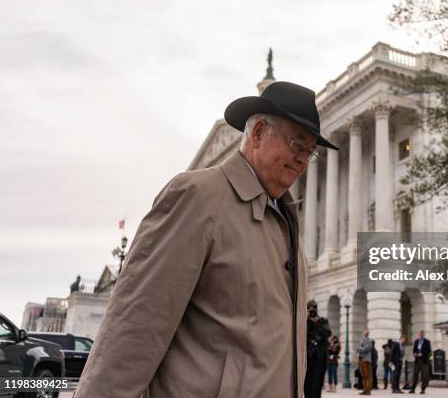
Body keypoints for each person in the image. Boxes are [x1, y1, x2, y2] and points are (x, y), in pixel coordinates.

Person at [72, 81, 339, 398]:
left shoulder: (285, 222)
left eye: (309, 152)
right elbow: (134, 330)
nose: (302, 160)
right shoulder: (199, 196)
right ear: (256, 135)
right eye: (296, 144)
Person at [304, 300, 331, 398]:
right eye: (309, 308)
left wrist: (317, 322)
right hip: (307, 359)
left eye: (314, 307)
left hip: (320, 358)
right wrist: (306, 321)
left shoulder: (322, 321)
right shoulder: (304, 322)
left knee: (316, 386)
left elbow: (328, 333)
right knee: (307, 387)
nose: (312, 310)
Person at [409, 330, 431, 394]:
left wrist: (423, 355)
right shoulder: (416, 341)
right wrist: (414, 354)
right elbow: (414, 350)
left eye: (422, 333)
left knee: (425, 376)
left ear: (424, 334)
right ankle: (412, 389)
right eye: (420, 333)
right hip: (417, 360)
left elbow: (429, 352)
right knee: (415, 375)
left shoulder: (427, 342)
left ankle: (423, 389)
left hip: (424, 361)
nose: (421, 334)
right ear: (419, 334)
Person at [357, 329, 373, 395]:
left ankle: (368, 390)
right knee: (363, 375)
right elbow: (357, 348)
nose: (365, 333)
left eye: (366, 332)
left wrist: (360, 349)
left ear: (368, 333)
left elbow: (367, 348)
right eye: (364, 331)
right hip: (361, 359)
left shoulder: (369, 340)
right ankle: (365, 389)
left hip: (366, 359)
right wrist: (360, 349)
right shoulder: (362, 340)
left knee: (367, 375)